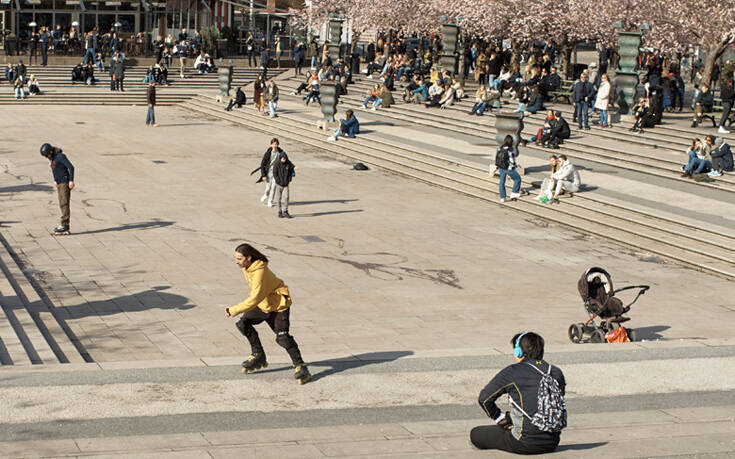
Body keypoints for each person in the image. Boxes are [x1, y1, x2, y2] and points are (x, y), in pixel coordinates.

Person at [225, 244, 311, 384]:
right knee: (243, 324)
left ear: (249, 257)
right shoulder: (247, 267)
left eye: (239, 259)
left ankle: (300, 366)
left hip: (278, 306)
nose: (237, 262)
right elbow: (258, 296)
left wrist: (233, 310)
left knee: (283, 338)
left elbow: (254, 298)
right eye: (236, 258)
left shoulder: (260, 272)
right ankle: (258, 354)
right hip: (264, 304)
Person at [471, 332, 566, 454]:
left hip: (523, 442)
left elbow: (484, 399)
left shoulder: (513, 371)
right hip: (552, 442)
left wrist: (500, 418)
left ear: (518, 352)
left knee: (476, 433)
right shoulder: (556, 371)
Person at [40, 143, 75, 235]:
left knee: (64, 203)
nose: (46, 157)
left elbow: (71, 167)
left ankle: (65, 225)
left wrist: (71, 180)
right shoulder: (53, 158)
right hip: (59, 183)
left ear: (51, 152)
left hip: (64, 182)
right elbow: (56, 170)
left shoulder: (60, 157)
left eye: (47, 155)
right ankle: (64, 224)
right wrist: (55, 180)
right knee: (61, 203)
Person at [495, 135, 522, 203]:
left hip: (501, 167)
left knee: (502, 182)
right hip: (508, 168)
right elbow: (512, 161)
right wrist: (516, 165)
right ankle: (514, 193)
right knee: (517, 179)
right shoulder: (510, 150)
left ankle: (502, 197)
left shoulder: (500, 148)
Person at [259, 138, 284, 207]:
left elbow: (285, 161)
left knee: (273, 187)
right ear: (271, 145)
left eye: (276, 144)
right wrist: (263, 175)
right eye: (273, 144)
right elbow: (262, 164)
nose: (275, 145)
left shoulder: (281, 153)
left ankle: (270, 201)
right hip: (269, 172)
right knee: (268, 188)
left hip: (277, 173)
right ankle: (266, 195)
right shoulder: (268, 153)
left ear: (278, 145)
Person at [272, 152, 295, 218]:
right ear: (280, 158)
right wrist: (277, 180)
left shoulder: (288, 163)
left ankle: (285, 211)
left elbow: (292, 169)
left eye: (284, 158)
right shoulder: (277, 164)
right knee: (278, 198)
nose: (283, 160)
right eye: (282, 158)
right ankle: (279, 211)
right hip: (279, 184)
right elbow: (274, 173)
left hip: (286, 184)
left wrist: (289, 179)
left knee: (286, 197)